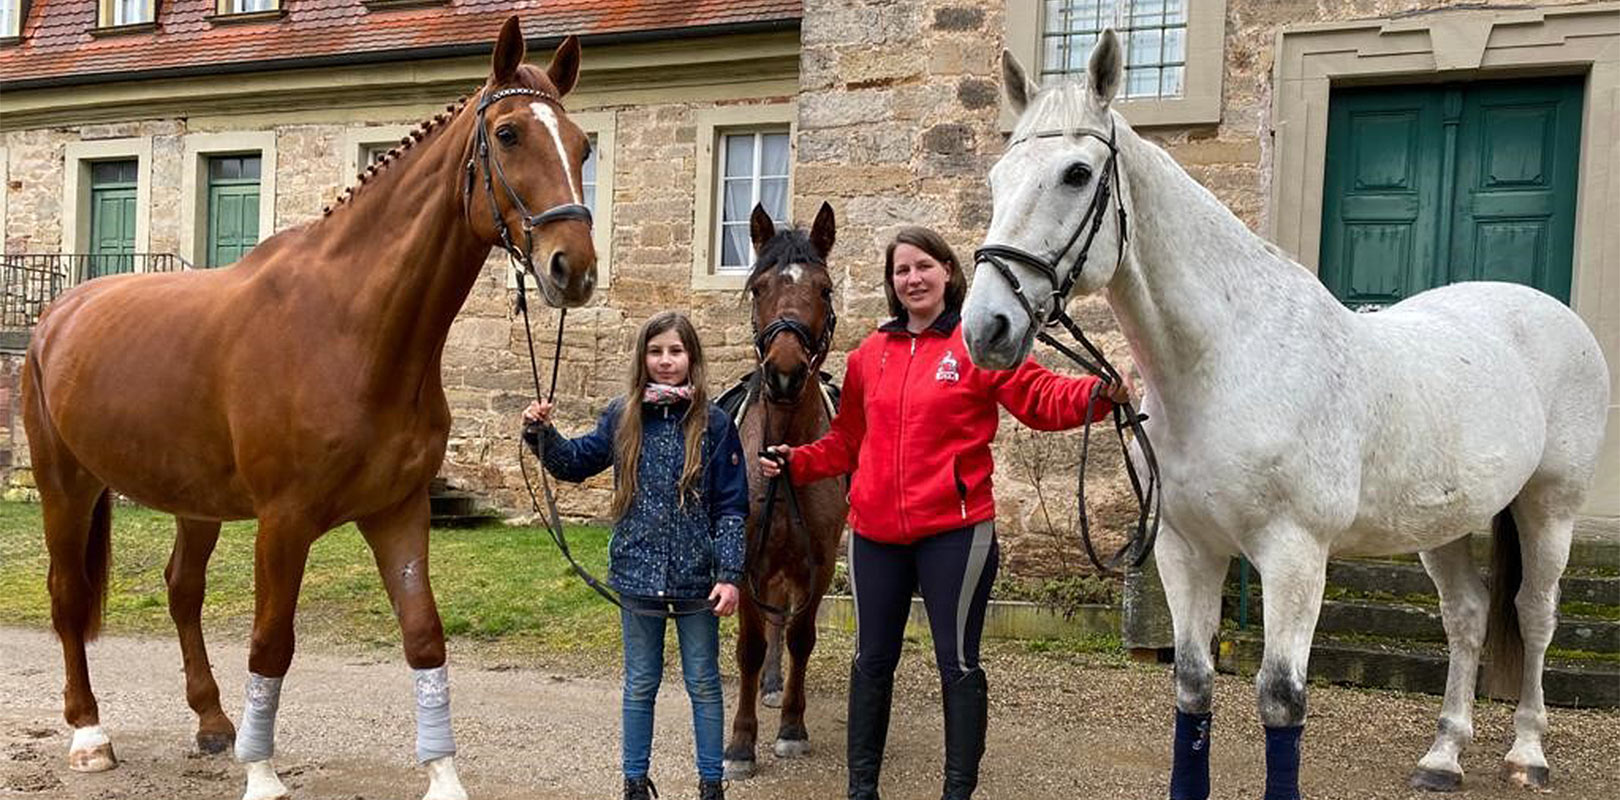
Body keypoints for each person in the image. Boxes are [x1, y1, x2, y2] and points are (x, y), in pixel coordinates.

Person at [760, 227, 1132, 800]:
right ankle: (862, 790)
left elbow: (1038, 398)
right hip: (876, 535)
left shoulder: (977, 344)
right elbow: (846, 443)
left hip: (956, 534)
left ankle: (957, 792)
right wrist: (797, 462)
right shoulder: (867, 357)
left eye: (923, 267)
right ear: (891, 284)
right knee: (870, 662)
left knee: (956, 663)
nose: (912, 278)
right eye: (901, 270)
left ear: (949, 274)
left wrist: (1098, 397)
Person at [523, 310, 747, 800]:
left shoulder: (714, 423)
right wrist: (543, 435)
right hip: (637, 571)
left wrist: (729, 572)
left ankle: (712, 784)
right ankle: (634, 782)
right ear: (643, 358)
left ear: (692, 358)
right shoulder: (622, 416)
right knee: (640, 682)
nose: (666, 361)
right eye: (655, 351)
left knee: (705, 683)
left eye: (675, 351)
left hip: (696, 576)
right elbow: (575, 462)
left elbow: (732, 505)